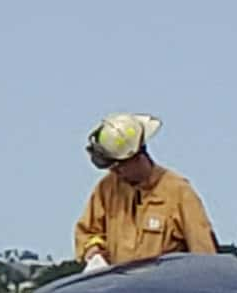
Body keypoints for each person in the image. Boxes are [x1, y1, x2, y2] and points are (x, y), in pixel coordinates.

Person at [73, 113, 223, 273]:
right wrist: (94, 253)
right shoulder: (106, 189)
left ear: (137, 157)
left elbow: (204, 255)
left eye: (118, 166)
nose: (114, 172)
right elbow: (87, 232)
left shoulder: (179, 193)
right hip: (118, 291)